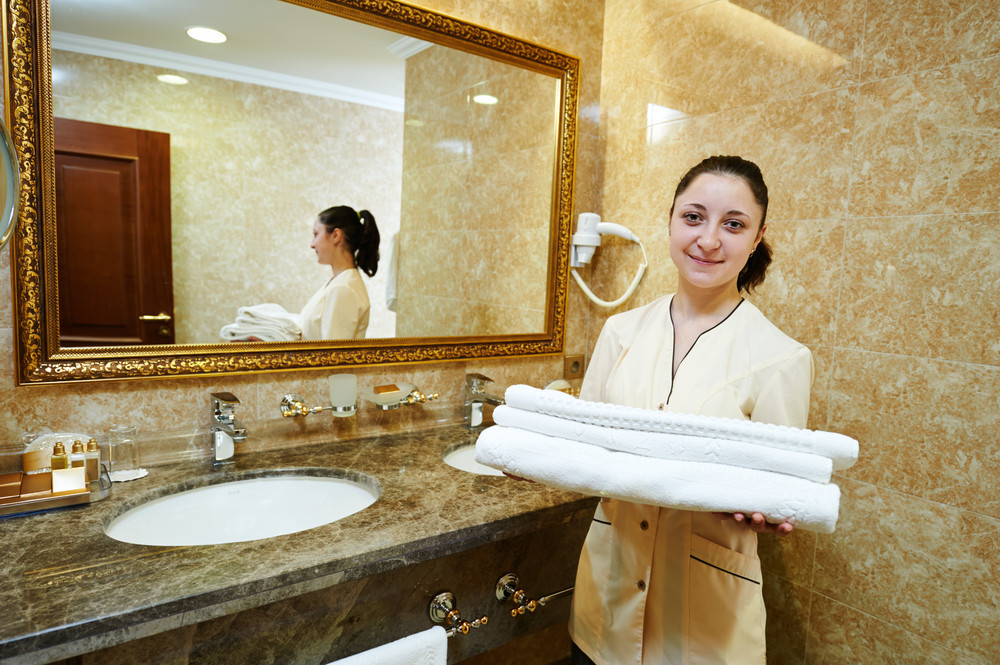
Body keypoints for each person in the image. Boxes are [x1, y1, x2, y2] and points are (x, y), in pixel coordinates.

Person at [568, 156, 813, 665]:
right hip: (604, 607)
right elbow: (582, 450)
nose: (708, 240)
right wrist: (534, 457)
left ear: (757, 237)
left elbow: (777, 489)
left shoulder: (781, 359)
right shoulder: (620, 333)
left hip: (705, 628)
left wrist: (767, 512)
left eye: (734, 224)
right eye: (694, 217)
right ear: (672, 220)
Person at [299, 205, 380, 340]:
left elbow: (332, 356)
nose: (312, 244)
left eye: (316, 234)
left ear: (336, 236)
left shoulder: (343, 289)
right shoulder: (339, 282)